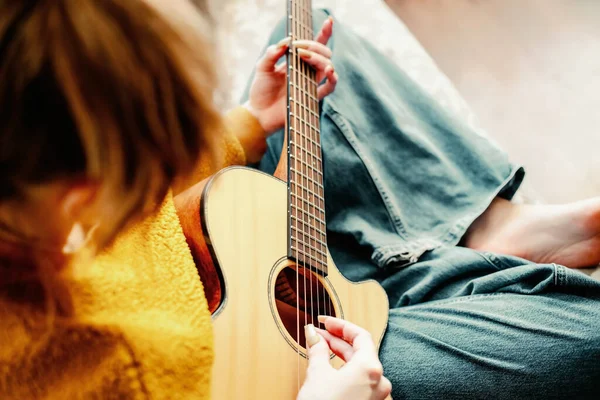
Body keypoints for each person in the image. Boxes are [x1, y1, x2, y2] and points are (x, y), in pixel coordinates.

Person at [0, 1, 390, 399]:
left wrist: (252, 119)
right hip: (272, 363)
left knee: (306, 40)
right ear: (84, 197)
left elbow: (152, 182)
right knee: (449, 317)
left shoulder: (33, 187)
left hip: (209, 239)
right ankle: (417, 260)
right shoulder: (127, 367)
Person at [252, 8, 600, 400]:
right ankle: (454, 250)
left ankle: (487, 225)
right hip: (281, 367)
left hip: (218, 254)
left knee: (304, 41)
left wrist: (250, 119)